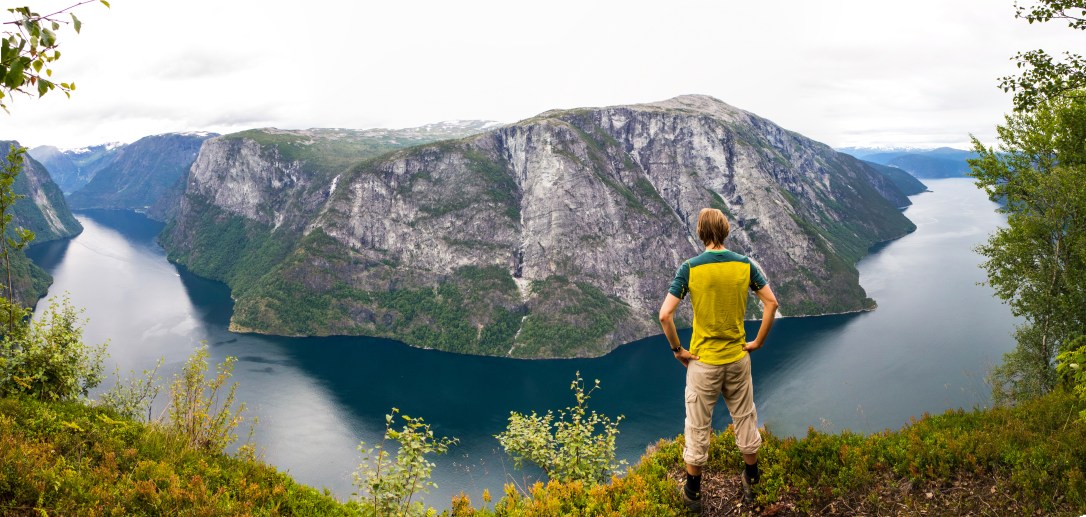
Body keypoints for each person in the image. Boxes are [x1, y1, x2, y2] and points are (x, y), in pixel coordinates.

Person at [658, 207, 779, 512]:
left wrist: (678, 350)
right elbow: (771, 303)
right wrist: (758, 341)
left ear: (701, 233)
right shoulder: (744, 265)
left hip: (703, 363)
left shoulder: (690, 269)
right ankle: (752, 481)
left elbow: (665, 315)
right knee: (745, 417)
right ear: (725, 231)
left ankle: (693, 492)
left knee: (698, 425)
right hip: (738, 358)